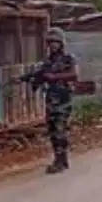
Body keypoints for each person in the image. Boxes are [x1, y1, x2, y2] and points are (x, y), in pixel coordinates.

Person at [24, 28, 79, 174]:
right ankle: (60, 159)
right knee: (53, 131)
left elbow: (74, 74)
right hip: (51, 100)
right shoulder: (48, 62)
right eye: (50, 42)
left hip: (64, 99)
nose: (53, 45)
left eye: (56, 42)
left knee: (60, 130)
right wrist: (33, 79)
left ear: (61, 43)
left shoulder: (68, 58)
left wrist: (53, 77)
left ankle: (61, 161)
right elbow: (40, 76)